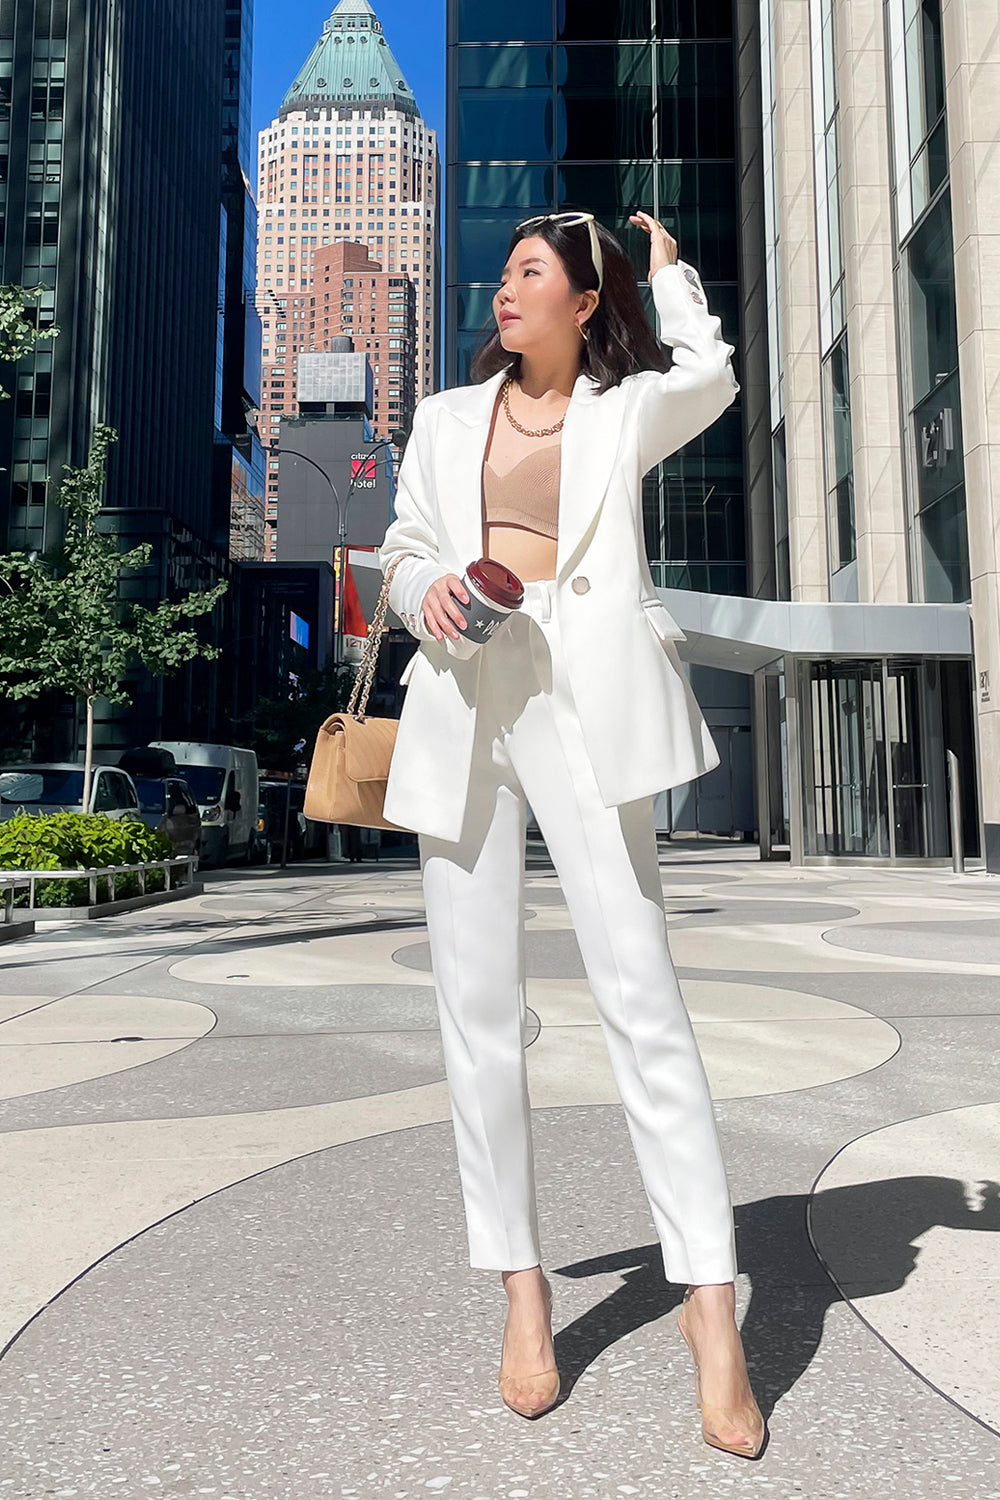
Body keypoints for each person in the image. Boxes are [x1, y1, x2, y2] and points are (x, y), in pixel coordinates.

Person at [377, 210, 765, 1458]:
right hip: (464, 690)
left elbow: (708, 372)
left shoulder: (622, 407)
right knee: (476, 1010)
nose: (504, 292)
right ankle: (523, 1292)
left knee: (640, 994)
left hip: (585, 702)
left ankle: (713, 1309)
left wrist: (669, 274)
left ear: (582, 302)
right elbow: (398, 549)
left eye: (529, 276)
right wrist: (421, 586)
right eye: (502, 276)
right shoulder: (445, 418)